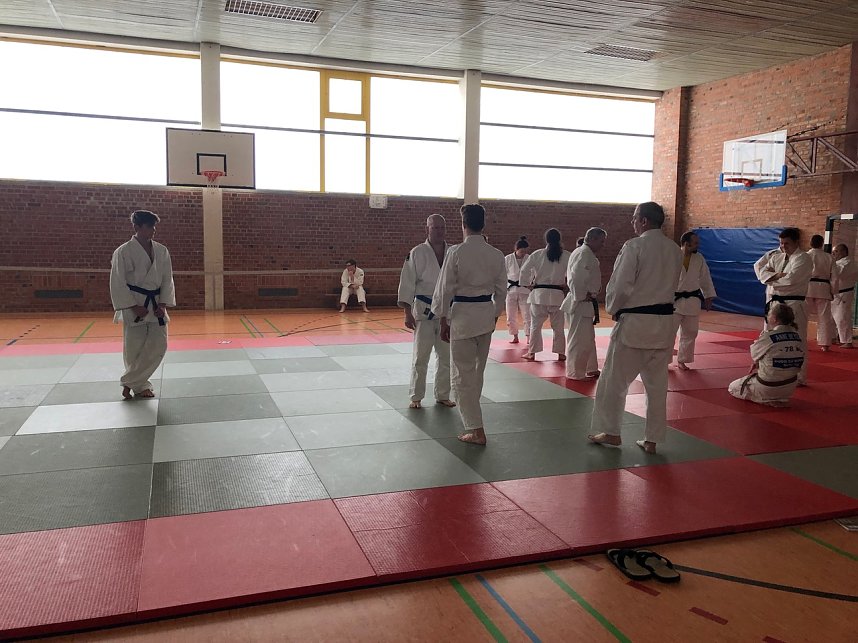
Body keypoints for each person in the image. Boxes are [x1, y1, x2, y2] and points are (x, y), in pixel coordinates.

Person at [588, 202, 682, 455]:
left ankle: (611, 431)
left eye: (634, 218)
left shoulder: (635, 246)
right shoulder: (674, 249)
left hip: (635, 324)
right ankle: (652, 439)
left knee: (613, 381)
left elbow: (621, 285)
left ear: (643, 221)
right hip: (664, 325)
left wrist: (614, 308)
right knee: (657, 386)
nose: (632, 222)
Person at [432, 204, 506, 445]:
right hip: (485, 316)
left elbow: (445, 289)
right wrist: (494, 315)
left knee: (462, 374)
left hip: (462, 317)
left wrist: (442, 318)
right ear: (483, 224)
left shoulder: (456, 252)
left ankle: (475, 429)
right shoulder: (496, 254)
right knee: (477, 373)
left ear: (463, 224)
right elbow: (502, 291)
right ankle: (475, 422)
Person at [109, 209, 175, 400]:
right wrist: (131, 306)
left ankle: (129, 382)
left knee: (160, 344)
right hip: (135, 304)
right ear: (136, 227)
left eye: (154, 226)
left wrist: (163, 303)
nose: (153, 230)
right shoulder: (122, 252)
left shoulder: (162, 251)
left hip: (155, 304)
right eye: (149, 226)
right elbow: (117, 282)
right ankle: (140, 386)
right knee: (134, 347)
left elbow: (167, 279)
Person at [397, 214, 456, 410]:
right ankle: (416, 396)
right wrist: (407, 312)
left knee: (445, 356)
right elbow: (407, 283)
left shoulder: (453, 252)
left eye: (442, 227)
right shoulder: (417, 252)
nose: (439, 231)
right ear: (427, 229)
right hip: (423, 312)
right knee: (421, 357)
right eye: (435, 227)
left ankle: (442, 394)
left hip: (446, 313)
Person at [753, 227, 812, 385]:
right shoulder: (776, 255)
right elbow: (760, 269)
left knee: (797, 337)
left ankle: (799, 376)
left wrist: (772, 278)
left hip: (794, 302)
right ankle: (768, 370)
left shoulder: (803, 258)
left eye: (786, 243)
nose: (783, 246)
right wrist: (775, 276)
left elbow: (791, 280)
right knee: (769, 336)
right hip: (775, 303)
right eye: (781, 243)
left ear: (796, 242)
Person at [727, 303, 805, 407]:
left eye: (769, 314)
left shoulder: (769, 336)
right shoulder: (797, 336)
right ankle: (777, 398)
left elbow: (754, 354)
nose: (767, 316)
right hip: (790, 387)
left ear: (774, 319)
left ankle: (764, 399)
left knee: (732, 387)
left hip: (768, 386)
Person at [560, 227, 606, 380]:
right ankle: (575, 372)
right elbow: (575, 277)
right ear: (592, 239)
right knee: (579, 339)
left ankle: (590, 367)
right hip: (579, 302)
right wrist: (581, 295)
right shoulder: (584, 254)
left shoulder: (584, 252)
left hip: (582, 302)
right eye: (601, 241)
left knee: (587, 337)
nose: (603, 245)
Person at [519, 228, 571, 361]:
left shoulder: (538, 254)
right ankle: (561, 353)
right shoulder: (567, 255)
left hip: (539, 295)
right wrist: (568, 285)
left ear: (546, 240)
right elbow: (574, 273)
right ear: (559, 239)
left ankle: (532, 353)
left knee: (535, 325)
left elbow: (524, 271)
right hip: (557, 295)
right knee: (558, 327)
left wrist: (526, 284)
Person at [673, 231, 717, 370]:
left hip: (692, 299)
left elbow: (705, 278)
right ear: (686, 243)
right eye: (696, 242)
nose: (698, 245)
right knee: (668, 332)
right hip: (673, 300)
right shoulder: (673, 256)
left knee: (691, 331)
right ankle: (664, 360)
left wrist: (708, 296)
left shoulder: (699, 258)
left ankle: (683, 360)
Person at [805, 234, 835, 352]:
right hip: (823, 288)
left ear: (810, 243)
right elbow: (835, 277)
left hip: (807, 287)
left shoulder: (805, 256)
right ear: (822, 244)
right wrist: (833, 291)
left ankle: (802, 341)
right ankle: (825, 344)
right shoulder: (829, 257)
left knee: (803, 317)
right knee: (824, 317)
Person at [504, 236, 531, 345]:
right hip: (511, 289)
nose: (523, 253)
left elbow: (534, 272)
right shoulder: (508, 259)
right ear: (516, 249)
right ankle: (515, 336)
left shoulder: (530, 258)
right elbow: (503, 274)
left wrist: (532, 283)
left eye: (525, 251)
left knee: (527, 314)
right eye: (521, 251)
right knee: (511, 314)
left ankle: (529, 337)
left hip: (525, 289)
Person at [831, 243, 858, 348]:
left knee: (842, 317)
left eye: (836, 251)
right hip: (835, 293)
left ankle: (847, 341)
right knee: (831, 317)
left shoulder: (848, 263)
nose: (834, 254)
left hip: (844, 294)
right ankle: (832, 337)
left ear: (844, 252)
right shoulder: (838, 263)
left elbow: (838, 272)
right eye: (833, 251)